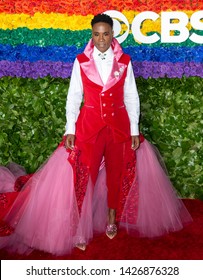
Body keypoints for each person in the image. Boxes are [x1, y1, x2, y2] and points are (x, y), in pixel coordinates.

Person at [0, 14, 192, 256]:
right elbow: (73, 97)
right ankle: (79, 225)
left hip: (119, 127)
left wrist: (134, 129)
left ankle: (112, 216)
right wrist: (70, 128)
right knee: (84, 175)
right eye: (96, 34)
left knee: (117, 172)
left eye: (106, 33)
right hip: (89, 127)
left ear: (113, 35)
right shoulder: (80, 61)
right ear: (92, 35)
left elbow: (132, 97)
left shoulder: (125, 62)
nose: (101, 39)